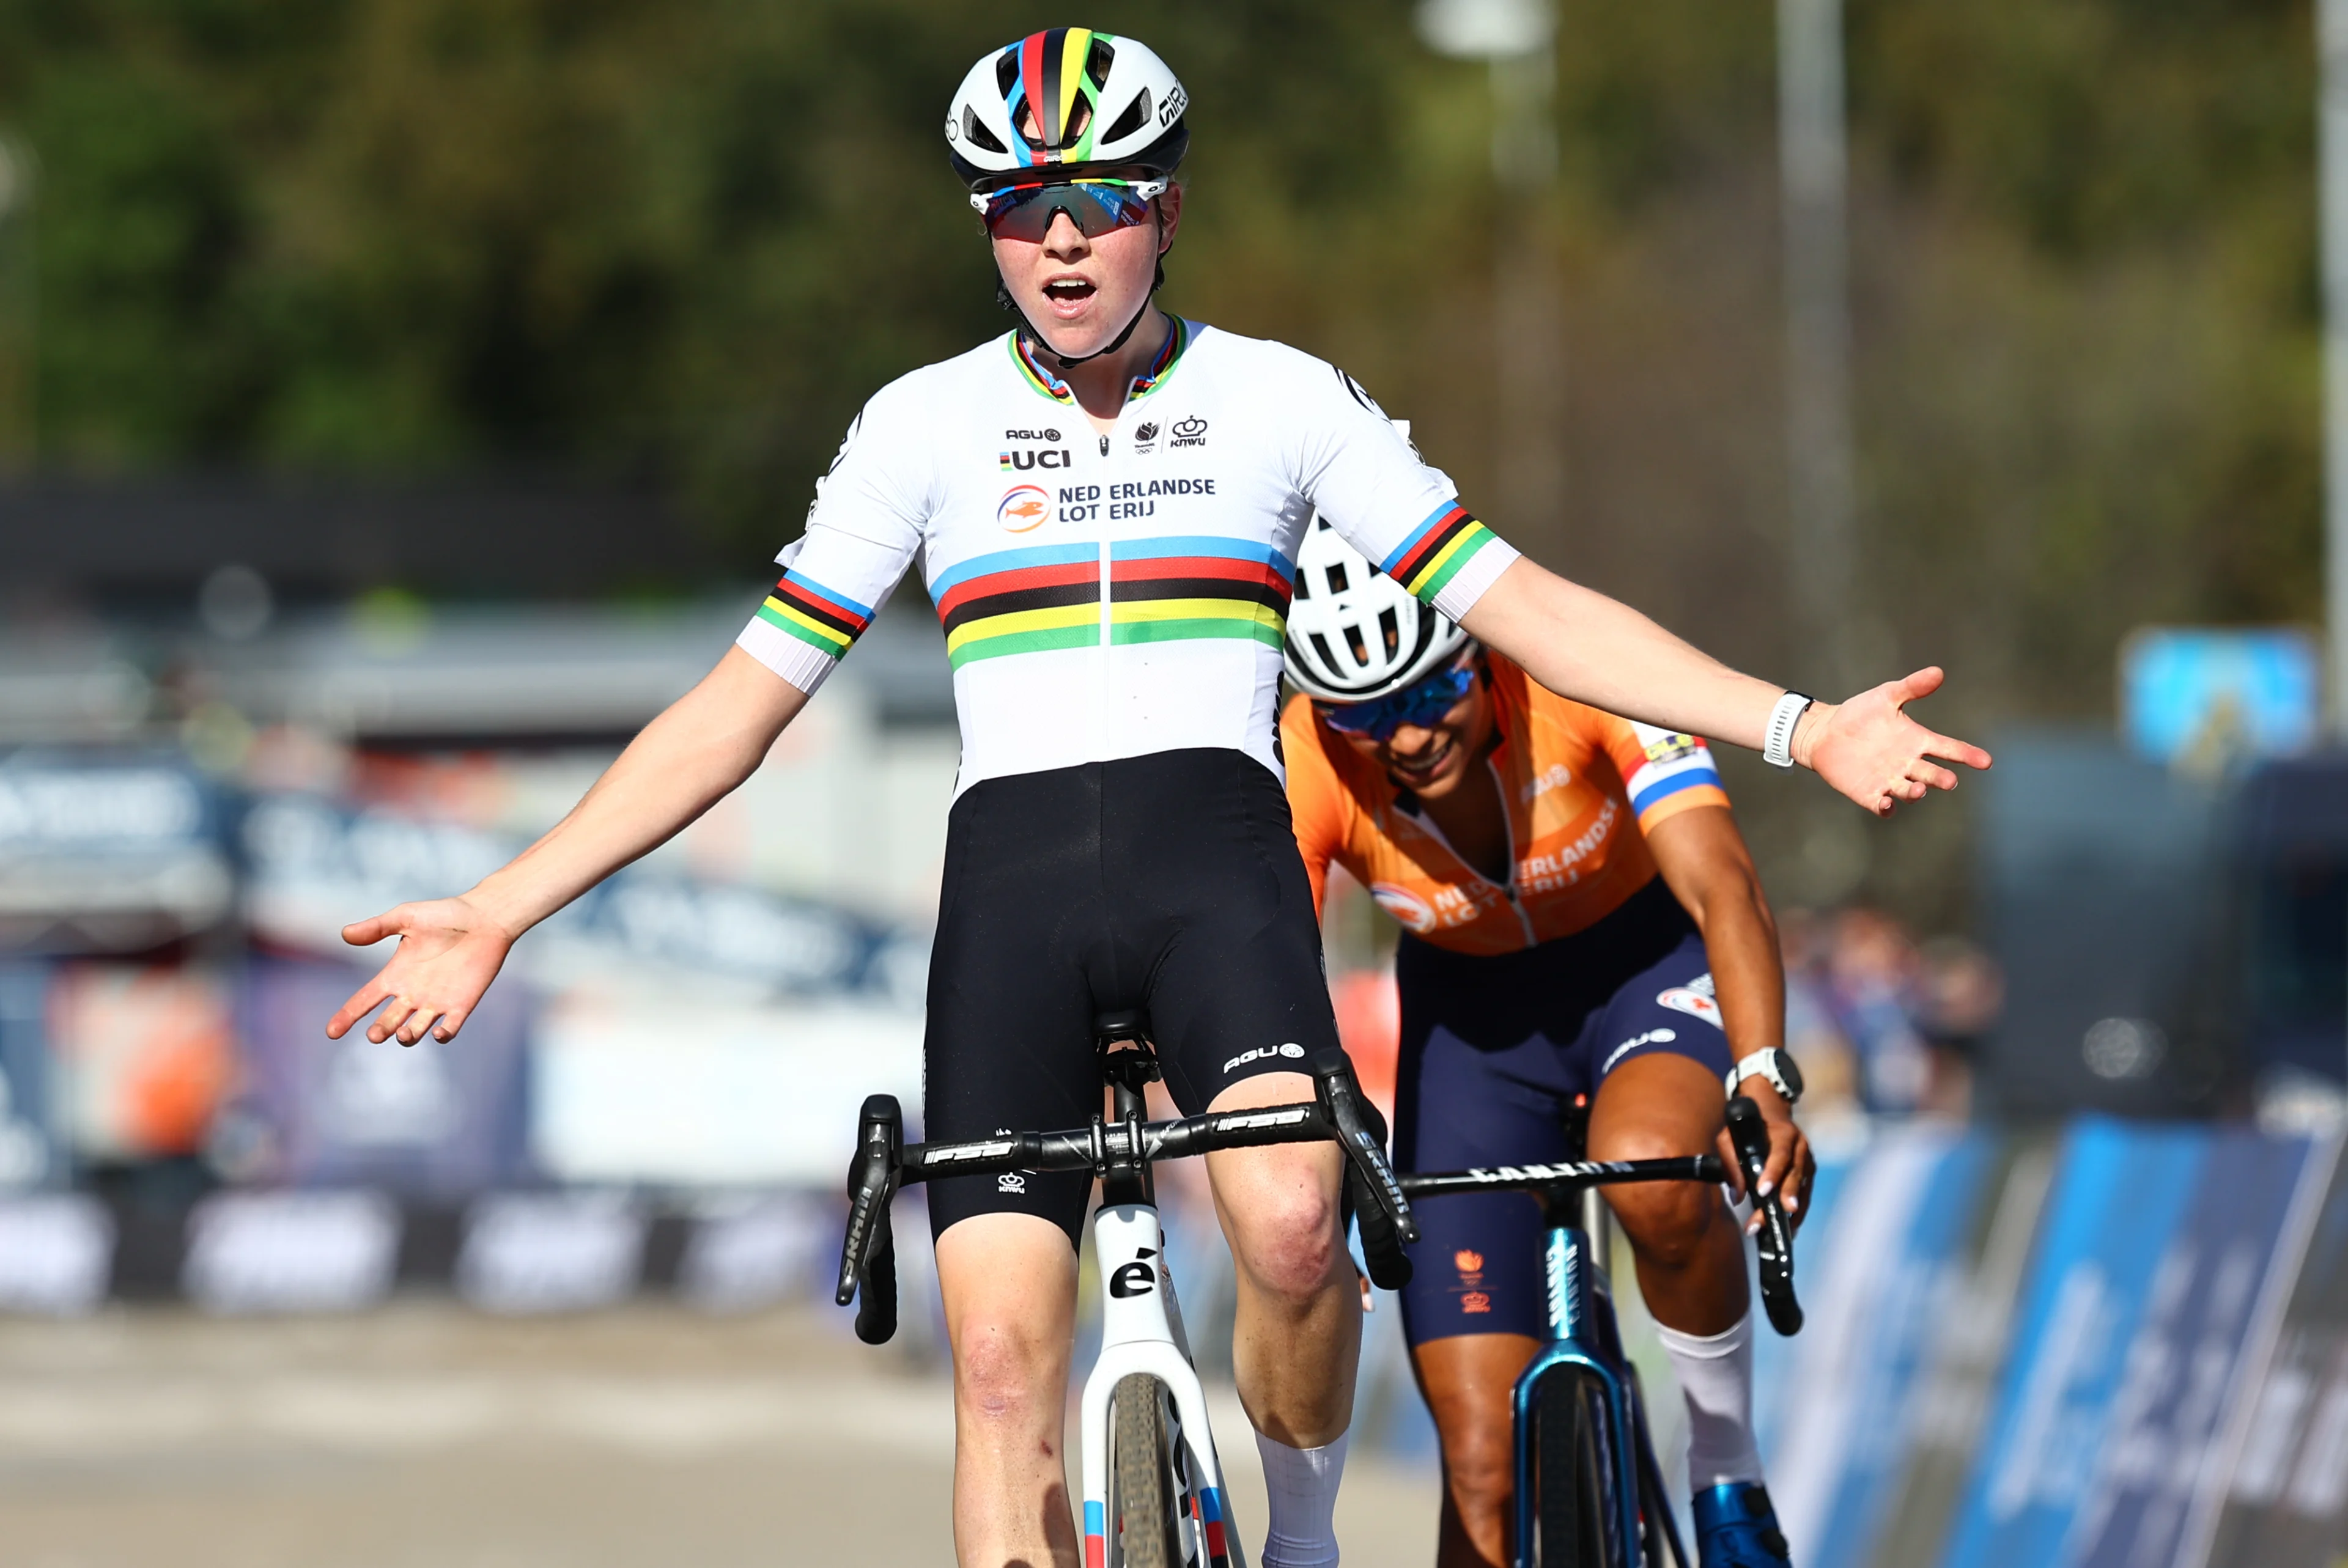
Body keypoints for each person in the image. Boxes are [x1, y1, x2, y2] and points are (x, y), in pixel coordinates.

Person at [323, 29, 1987, 1568]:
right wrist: (500, 903)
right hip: (1015, 894)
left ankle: (1308, 1535)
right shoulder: (922, 426)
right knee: (993, 1365)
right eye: (1019, 208)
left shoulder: (1281, 400)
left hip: (1218, 875)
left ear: (1167, 210)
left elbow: (1534, 610)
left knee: (1286, 1223)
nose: (1060, 242)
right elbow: (734, 713)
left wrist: (1796, 722)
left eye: (1101, 204)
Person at [1283, 522, 1814, 1568]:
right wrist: (1300, 1199)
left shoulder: (1576, 678)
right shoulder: (1308, 758)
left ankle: (1723, 1457)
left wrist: (1763, 1076)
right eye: (1364, 713)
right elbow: (1280, 995)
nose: (1405, 735)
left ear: (1478, 652)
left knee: (1654, 1184)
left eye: (1428, 692)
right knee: (1480, 1466)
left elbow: (1723, 887)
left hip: (1640, 976)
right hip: (1472, 1027)